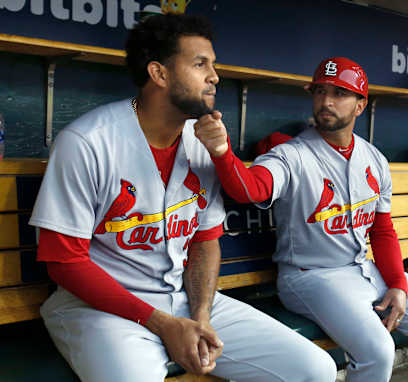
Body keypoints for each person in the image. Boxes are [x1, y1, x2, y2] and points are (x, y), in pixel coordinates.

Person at [28, 14, 337, 382]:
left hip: (182, 300)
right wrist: (163, 324)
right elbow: (63, 262)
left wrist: (201, 315)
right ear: (159, 74)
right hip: (101, 310)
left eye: (213, 65)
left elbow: (206, 242)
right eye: (200, 64)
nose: (214, 76)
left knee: (314, 370)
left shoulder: (201, 141)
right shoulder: (88, 142)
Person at [194, 56, 408, 382]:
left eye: (339, 93)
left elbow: (382, 229)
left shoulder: (374, 159)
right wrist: (223, 152)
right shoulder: (292, 154)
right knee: (378, 351)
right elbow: (250, 189)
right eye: (320, 91)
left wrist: (397, 284)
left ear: (359, 106)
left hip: (364, 270)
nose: (326, 101)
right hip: (310, 277)